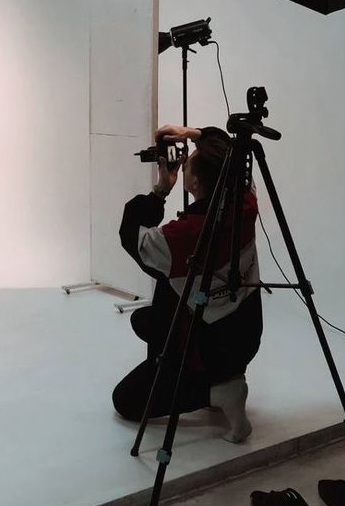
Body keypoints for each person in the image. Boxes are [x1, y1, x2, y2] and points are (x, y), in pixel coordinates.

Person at [112, 124, 262, 442]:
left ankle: (219, 391)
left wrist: (161, 189)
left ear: (193, 182)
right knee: (145, 320)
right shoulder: (246, 201)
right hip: (245, 332)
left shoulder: (181, 239)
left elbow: (130, 232)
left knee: (125, 400)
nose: (187, 158)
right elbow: (227, 150)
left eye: (189, 158)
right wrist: (192, 133)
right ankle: (222, 376)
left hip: (211, 350)